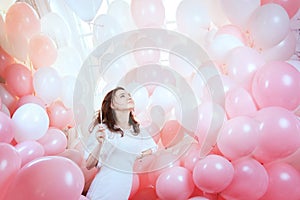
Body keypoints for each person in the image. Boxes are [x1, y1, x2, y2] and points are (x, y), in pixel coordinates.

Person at [84, 86, 157, 200]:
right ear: (112, 105)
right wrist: (99, 144)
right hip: (103, 189)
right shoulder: (103, 129)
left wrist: (138, 155)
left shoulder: (137, 131)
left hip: (123, 190)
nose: (128, 97)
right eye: (123, 96)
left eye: (129, 95)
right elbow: (89, 165)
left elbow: (153, 148)